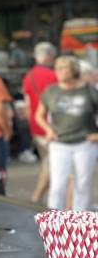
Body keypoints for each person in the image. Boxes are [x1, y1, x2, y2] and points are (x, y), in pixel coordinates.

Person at [34, 55, 98, 211]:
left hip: (85, 144)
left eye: (64, 68)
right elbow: (39, 115)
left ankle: (78, 219)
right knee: (58, 184)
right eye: (57, 68)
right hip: (59, 144)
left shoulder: (89, 90)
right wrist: (49, 130)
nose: (59, 71)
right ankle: (54, 218)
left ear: (74, 70)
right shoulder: (51, 91)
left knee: (82, 184)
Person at [23, 42, 58, 202]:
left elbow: (27, 104)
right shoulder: (54, 75)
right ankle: (37, 199)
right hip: (52, 125)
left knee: (48, 162)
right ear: (49, 56)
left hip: (36, 125)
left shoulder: (28, 76)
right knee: (52, 165)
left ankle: (44, 198)